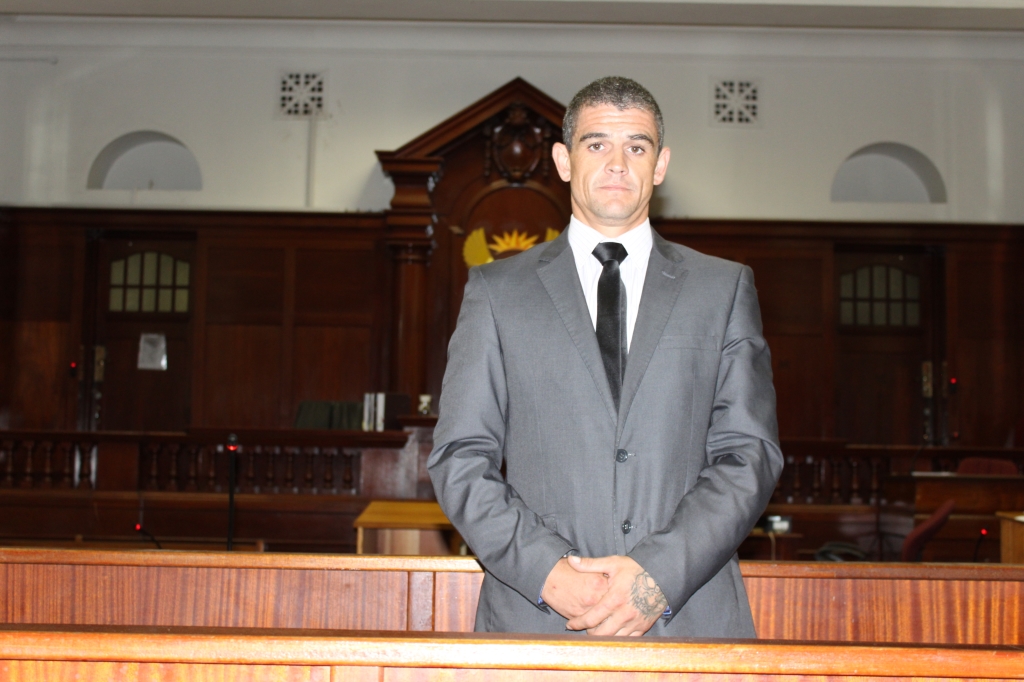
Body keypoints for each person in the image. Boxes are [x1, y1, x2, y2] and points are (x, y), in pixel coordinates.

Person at [428, 76, 782, 637]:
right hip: (539, 619)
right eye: (597, 144)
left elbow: (749, 454)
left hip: (687, 617)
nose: (617, 163)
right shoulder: (498, 292)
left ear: (660, 165)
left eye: (636, 147)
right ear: (563, 160)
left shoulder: (722, 289)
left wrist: (657, 577)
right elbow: (460, 457)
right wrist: (548, 573)